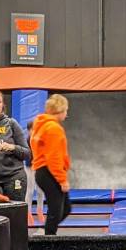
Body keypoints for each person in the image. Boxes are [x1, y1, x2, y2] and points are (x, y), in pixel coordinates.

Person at [31, 94, 73, 235]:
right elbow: (53, 158)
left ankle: (46, 232)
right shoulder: (53, 128)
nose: (66, 114)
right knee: (56, 211)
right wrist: (62, 179)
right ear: (60, 111)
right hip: (49, 172)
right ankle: (48, 239)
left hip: (43, 172)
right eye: (66, 110)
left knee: (65, 208)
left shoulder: (40, 124)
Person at [0, 89, 31, 201]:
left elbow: (27, 153)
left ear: (2, 106)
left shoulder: (11, 123)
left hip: (14, 176)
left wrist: (12, 147)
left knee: (15, 214)